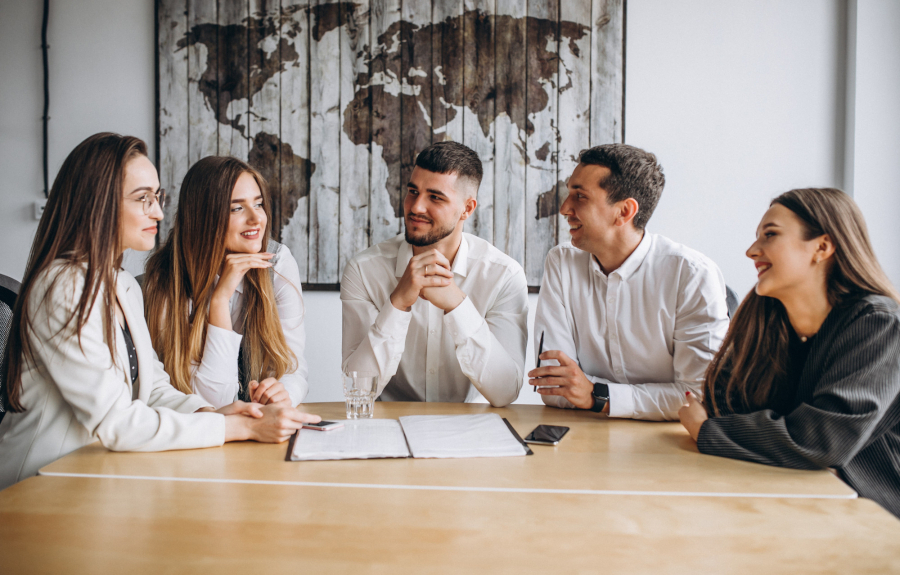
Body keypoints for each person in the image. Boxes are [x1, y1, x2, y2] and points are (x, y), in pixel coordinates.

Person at [0, 133, 319, 490]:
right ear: (99, 204)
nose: (158, 212)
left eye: (158, 197)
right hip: (40, 484)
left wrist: (213, 413)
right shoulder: (63, 286)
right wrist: (239, 427)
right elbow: (115, 421)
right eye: (143, 199)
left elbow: (154, 390)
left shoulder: (121, 284)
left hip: (96, 475)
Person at [680, 188, 900, 518]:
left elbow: (821, 439)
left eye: (770, 235)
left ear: (822, 247)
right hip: (785, 500)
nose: (752, 251)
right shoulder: (766, 318)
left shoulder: (878, 324)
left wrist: (708, 433)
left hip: (871, 518)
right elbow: (724, 403)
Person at [528, 144, 730, 421]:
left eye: (580, 196)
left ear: (624, 211)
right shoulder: (562, 262)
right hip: (583, 435)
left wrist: (596, 395)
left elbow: (697, 397)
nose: (564, 208)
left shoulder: (691, 274)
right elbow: (552, 388)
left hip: (666, 445)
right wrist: (643, 399)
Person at [341, 141, 528, 406]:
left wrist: (457, 305)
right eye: (412, 191)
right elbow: (358, 390)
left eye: (435, 197)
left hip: (470, 432)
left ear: (467, 208)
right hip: (390, 429)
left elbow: (505, 392)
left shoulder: (503, 276)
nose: (416, 207)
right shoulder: (364, 270)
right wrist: (397, 304)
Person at [142, 156, 308, 409]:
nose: (256, 219)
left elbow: (293, 365)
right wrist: (220, 299)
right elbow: (211, 404)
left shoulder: (277, 263)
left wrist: (283, 392)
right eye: (236, 208)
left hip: (257, 428)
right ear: (203, 217)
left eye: (259, 204)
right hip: (195, 435)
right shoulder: (165, 280)